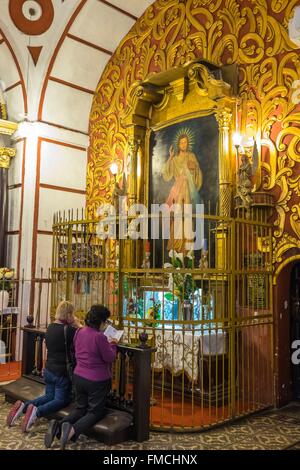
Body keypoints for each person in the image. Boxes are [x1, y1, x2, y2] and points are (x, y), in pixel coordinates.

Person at [45, 304, 117, 449]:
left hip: (79, 376)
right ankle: (72, 430)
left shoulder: (80, 332)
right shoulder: (100, 337)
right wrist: (113, 344)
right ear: (102, 322)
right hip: (97, 380)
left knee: (80, 408)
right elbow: (109, 357)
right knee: (95, 412)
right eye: (106, 321)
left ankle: (58, 424)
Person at [6, 301, 80, 432]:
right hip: (61, 372)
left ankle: (23, 407)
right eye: (72, 313)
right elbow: (83, 332)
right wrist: (77, 323)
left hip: (49, 369)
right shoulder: (70, 330)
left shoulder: (50, 327)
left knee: (48, 396)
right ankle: (36, 412)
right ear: (69, 314)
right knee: (61, 400)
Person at [162, 134, 202, 253]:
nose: (184, 144)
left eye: (186, 142)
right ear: (178, 145)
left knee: (187, 215)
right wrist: (170, 157)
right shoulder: (174, 159)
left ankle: (187, 246)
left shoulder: (191, 156)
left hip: (188, 190)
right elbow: (166, 174)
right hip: (178, 189)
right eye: (182, 142)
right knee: (178, 215)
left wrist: (192, 168)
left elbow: (197, 172)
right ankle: (176, 244)